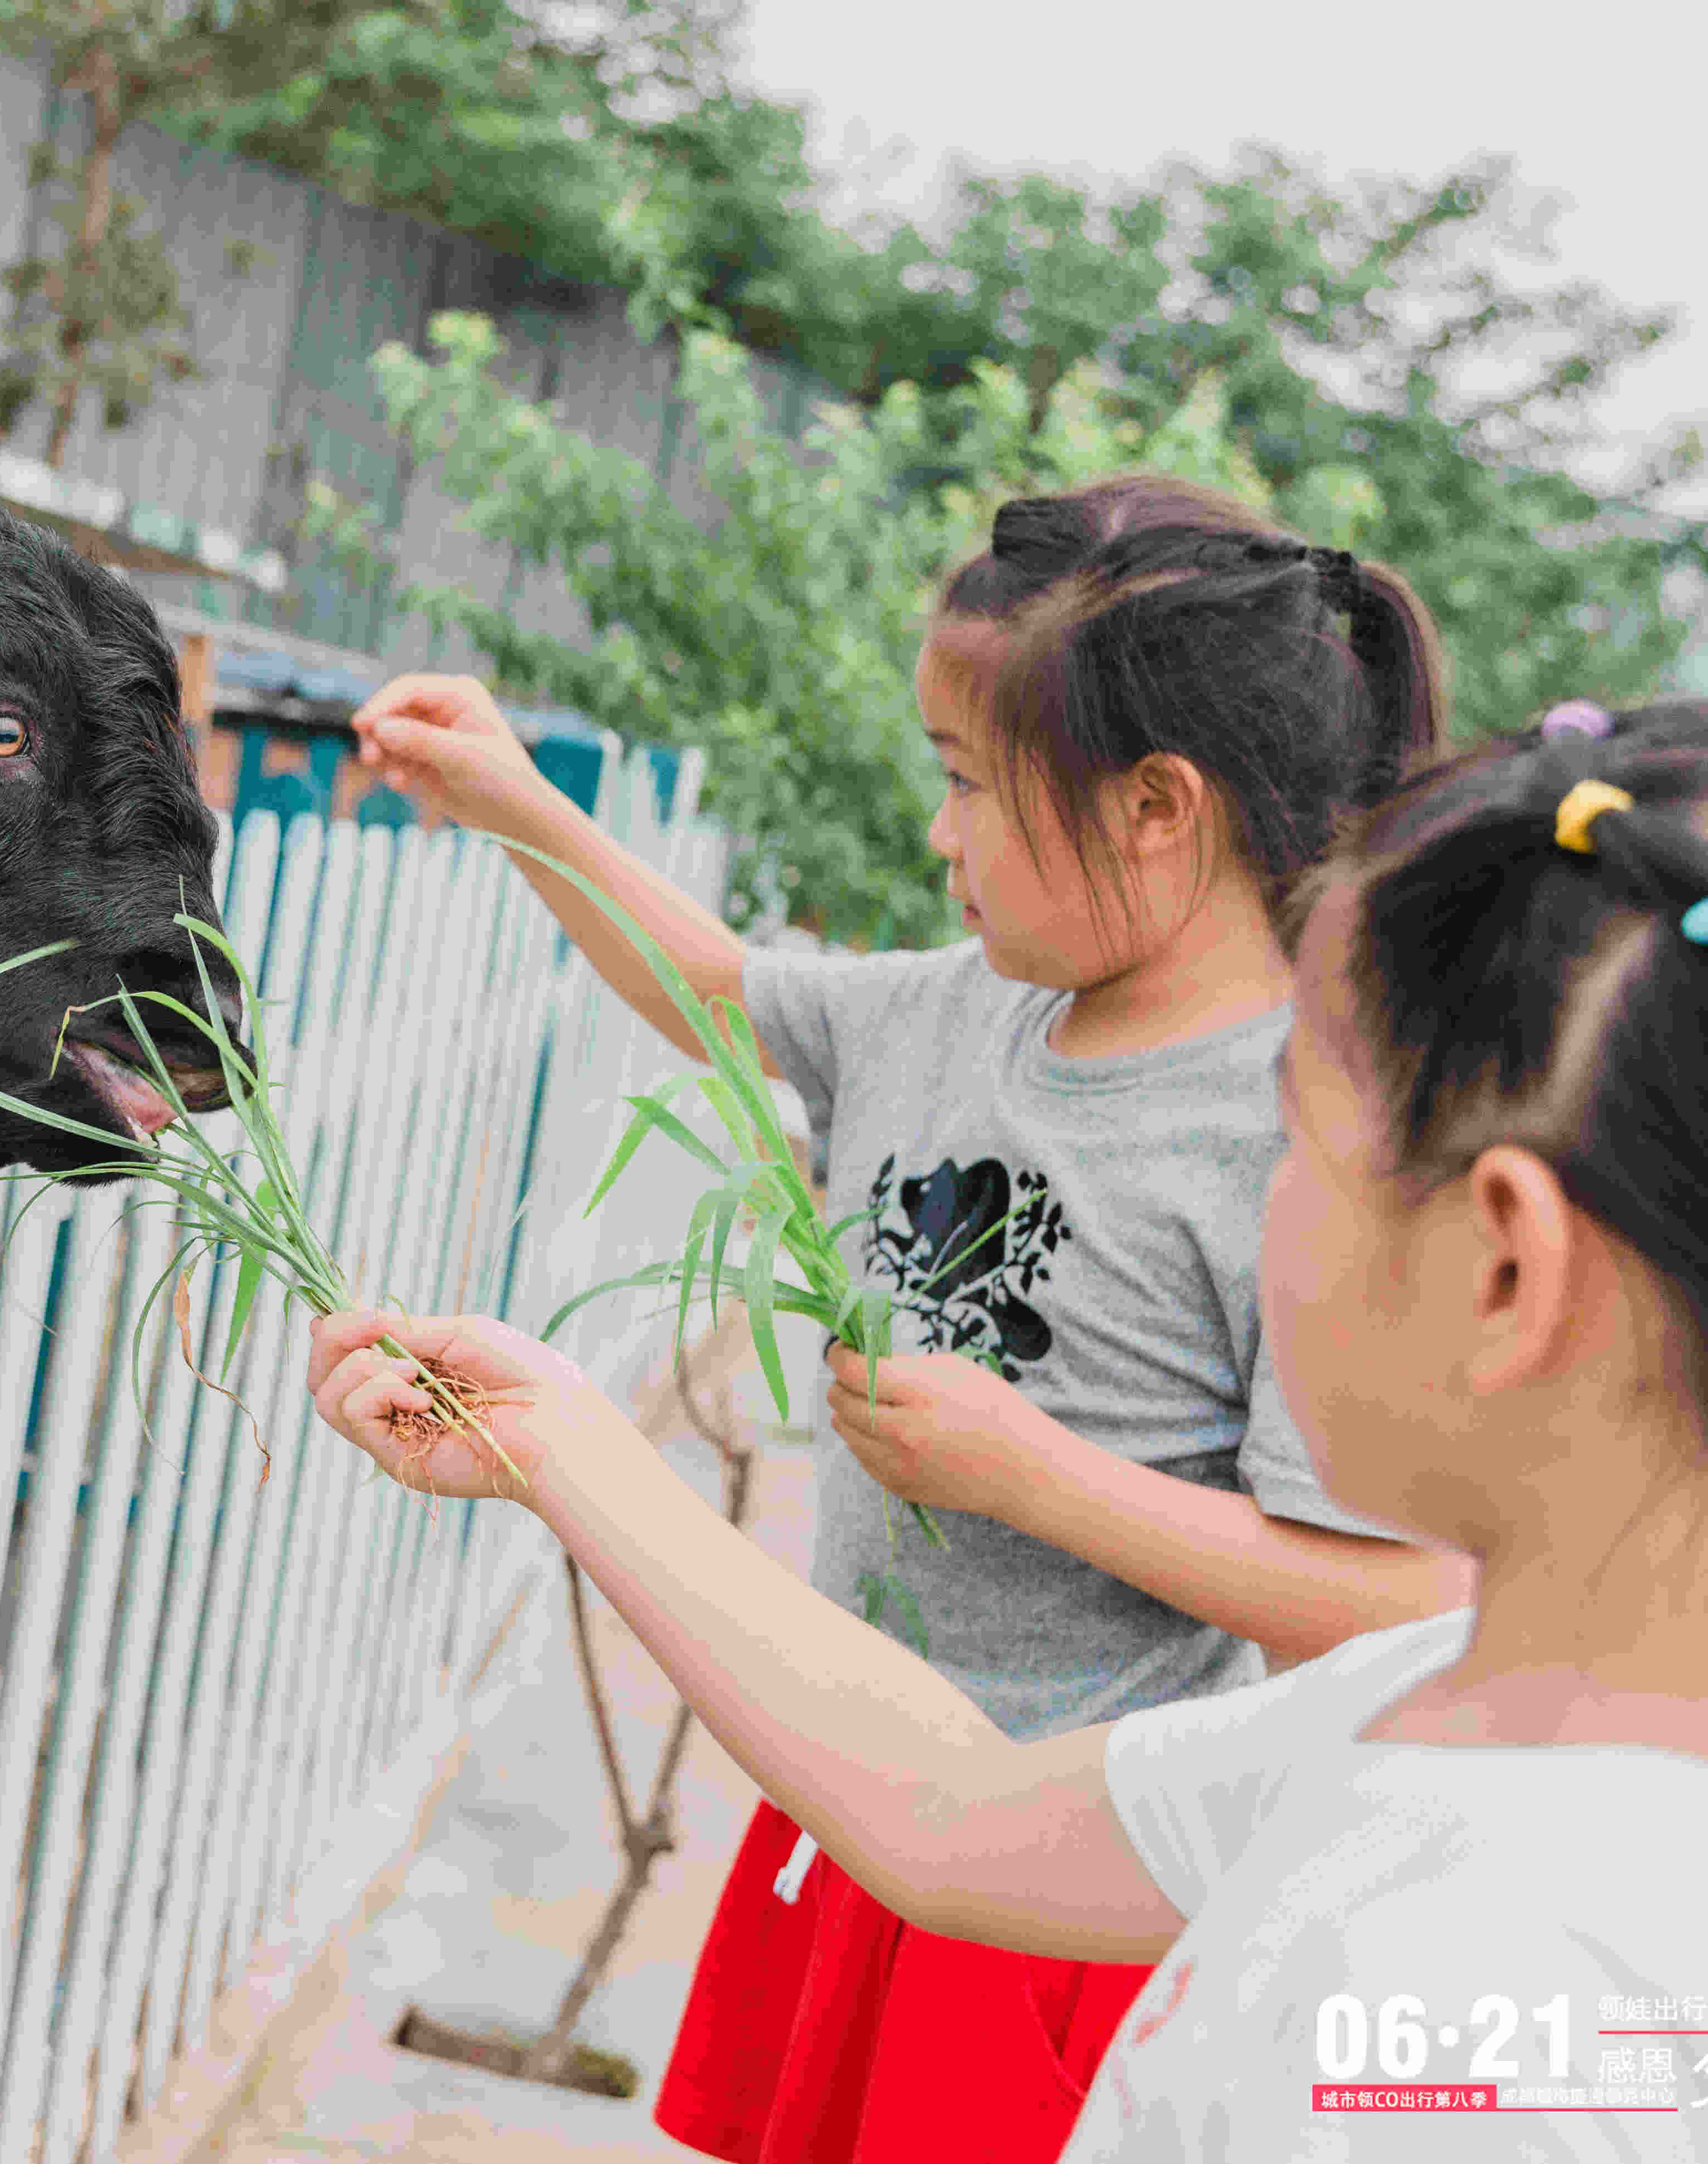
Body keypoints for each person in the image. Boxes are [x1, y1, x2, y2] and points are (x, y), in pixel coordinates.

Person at [311, 699, 1708, 2160]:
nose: (1266, 1202)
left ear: (1506, 1264)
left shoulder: (1493, 2042)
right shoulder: (1505, 1727)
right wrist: (562, 1442)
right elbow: (957, 1811)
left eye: (1293, 1141)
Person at [351, 477, 1475, 2160]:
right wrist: (515, 805)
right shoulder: (961, 1010)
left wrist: (1041, 1475)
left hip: (1055, 1889)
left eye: (968, 784)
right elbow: (715, 994)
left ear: (1158, 808)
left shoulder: (1292, 1150)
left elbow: (1394, 1605)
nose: (939, 835)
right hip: (852, 1802)